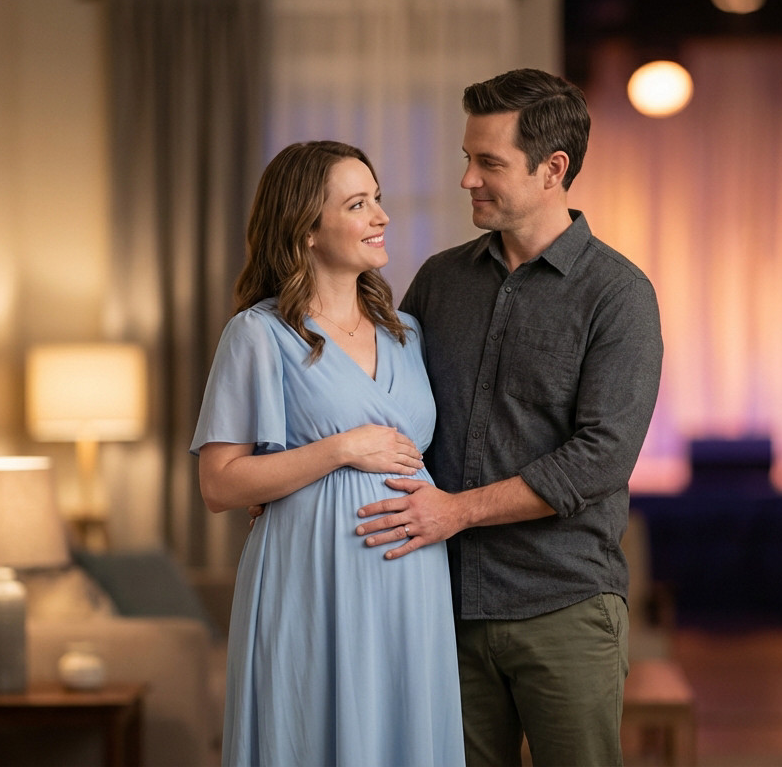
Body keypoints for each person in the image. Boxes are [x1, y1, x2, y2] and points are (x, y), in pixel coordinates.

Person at [355, 68, 664, 766]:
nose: (467, 178)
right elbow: (380, 400)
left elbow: (600, 458)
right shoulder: (439, 280)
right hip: (442, 610)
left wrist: (456, 512)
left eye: (488, 162)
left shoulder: (620, 297)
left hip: (566, 609)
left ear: (552, 169)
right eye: (468, 158)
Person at [192, 140, 465, 767]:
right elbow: (220, 485)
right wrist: (341, 448)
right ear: (306, 231)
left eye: (378, 200)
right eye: (358, 203)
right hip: (310, 576)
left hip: (411, 579)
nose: (381, 216)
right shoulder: (258, 335)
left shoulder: (409, 333)